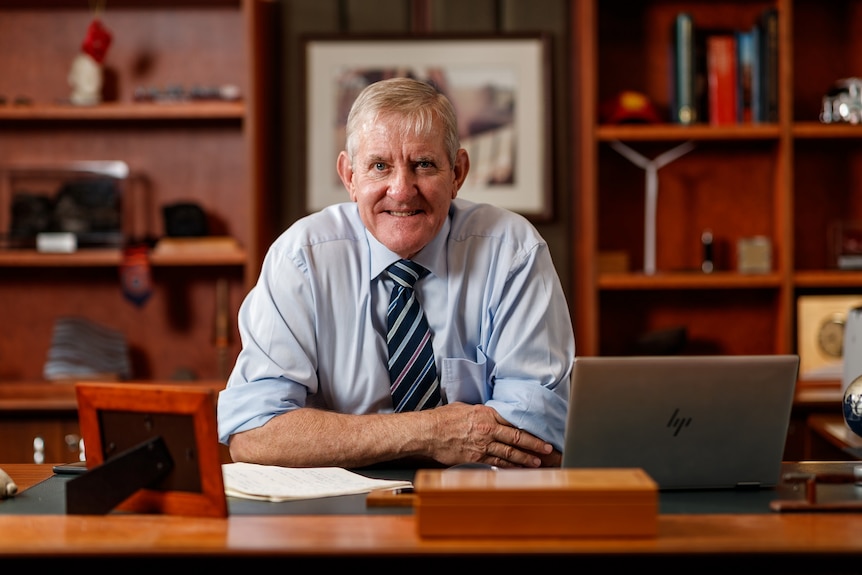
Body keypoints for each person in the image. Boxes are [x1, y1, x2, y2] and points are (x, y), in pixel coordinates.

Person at [217, 76, 574, 469]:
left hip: (475, 499)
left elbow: (539, 434)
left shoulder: (512, 253)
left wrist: (337, 437)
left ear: (457, 173)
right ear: (350, 177)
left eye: (423, 164)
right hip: (337, 503)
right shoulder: (301, 260)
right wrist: (432, 431)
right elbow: (253, 433)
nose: (402, 191)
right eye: (379, 166)